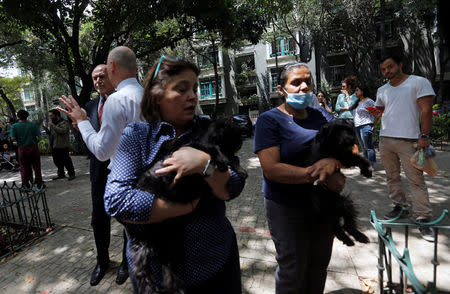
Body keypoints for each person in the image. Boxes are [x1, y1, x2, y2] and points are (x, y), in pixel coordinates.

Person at [103, 56, 245, 294]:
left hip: (215, 262)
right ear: (157, 94)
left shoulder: (210, 131)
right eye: (182, 89)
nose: (192, 96)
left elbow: (233, 186)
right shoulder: (137, 135)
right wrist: (184, 208)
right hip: (156, 273)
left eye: (195, 89)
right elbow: (116, 199)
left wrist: (204, 164)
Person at [254, 62, 345, 293]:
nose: (304, 87)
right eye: (296, 82)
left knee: (319, 265)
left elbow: (347, 149)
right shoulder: (269, 120)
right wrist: (317, 173)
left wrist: (334, 164)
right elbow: (271, 169)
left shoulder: (321, 116)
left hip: (323, 204)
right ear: (281, 89)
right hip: (285, 205)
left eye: (308, 81)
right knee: (292, 268)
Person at [58, 46, 143, 286]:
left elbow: (103, 147)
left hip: (121, 170)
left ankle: (126, 264)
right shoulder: (91, 106)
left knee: (127, 221)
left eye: (102, 76)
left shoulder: (119, 100)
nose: (97, 80)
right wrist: (81, 126)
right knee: (98, 220)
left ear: (112, 72)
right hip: (99, 172)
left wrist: (83, 124)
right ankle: (102, 261)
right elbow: (88, 144)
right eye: (94, 77)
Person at [371, 54, 435, 242]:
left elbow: (426, 110)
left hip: (409, 140)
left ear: (400, 64)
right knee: (392, 177)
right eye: (383, 69)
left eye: (390, 67)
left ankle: (423, 216)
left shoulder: (419, 82)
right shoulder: (382, 89)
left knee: (415, 179)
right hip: (385, 140)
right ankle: (400, 206)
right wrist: (372, 117)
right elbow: (380, 111)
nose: (387, 71)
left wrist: (424, 135)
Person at [9, 110, 43, 188]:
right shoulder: (33, 125)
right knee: (37, 166)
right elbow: (39, 136)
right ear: (27, 116)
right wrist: (35, 141)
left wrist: (18, 141)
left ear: (18, 116)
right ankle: (39, 184)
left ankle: (25, 184)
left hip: (22, 148)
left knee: (24, 167)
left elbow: (13, 138)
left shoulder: (14, 126)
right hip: (34, 147)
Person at [43, 109, 76, 180]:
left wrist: (53, 126)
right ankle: (61, 174)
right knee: (57, 161)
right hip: (54, 145)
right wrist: (47, 131)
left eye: (51, 116)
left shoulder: (64, 122)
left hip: (62, 145)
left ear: (56, 115)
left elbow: (63, 131)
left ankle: (71, 174)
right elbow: (52, 134)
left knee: (66, 160)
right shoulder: (53, 123)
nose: (50, 117)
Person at [353, 85, 378, 168]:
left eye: (357, 90)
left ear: (362, 91)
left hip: (366, 125)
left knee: (368, 147)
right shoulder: (357, 102)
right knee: (363, 147)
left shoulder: (369, 101)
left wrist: (374, 125)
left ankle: (371, 165)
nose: (355, 92)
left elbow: (376, 114)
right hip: (357, 126)